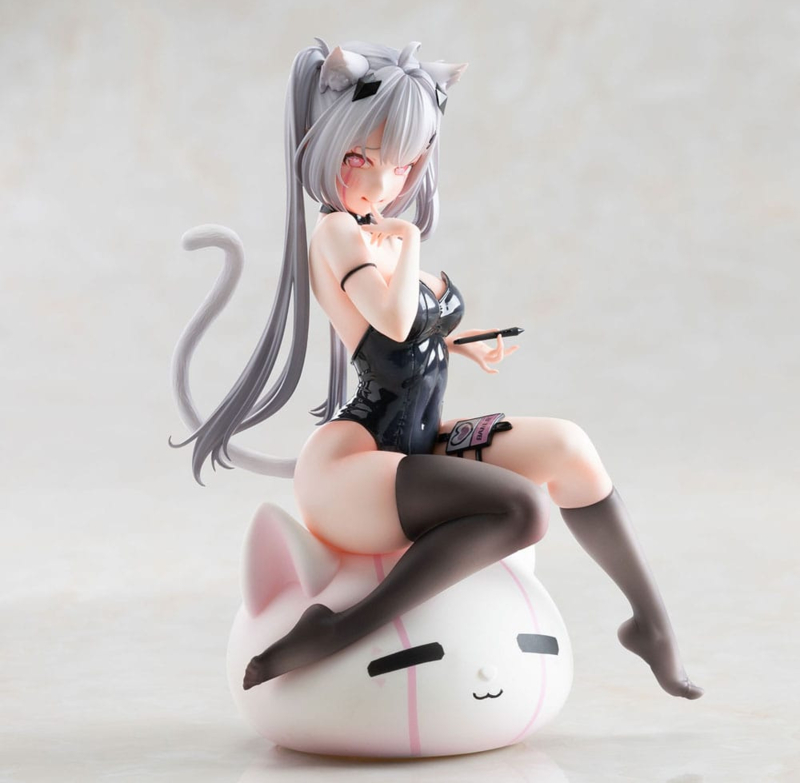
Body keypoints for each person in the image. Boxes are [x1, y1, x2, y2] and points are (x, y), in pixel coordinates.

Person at [172, 40, 703, 699]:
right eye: (362, 159)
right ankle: (338, 629)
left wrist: (465, 342)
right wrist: (409, 240)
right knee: (521, 510)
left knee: (570, 447)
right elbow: (394, 325)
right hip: (351, 467)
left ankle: (651, 625)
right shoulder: (338, 233)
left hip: (414, 443)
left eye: (402, 164)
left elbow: (415, 334)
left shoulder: (378, 235)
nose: (383, 182)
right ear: (326, 147)